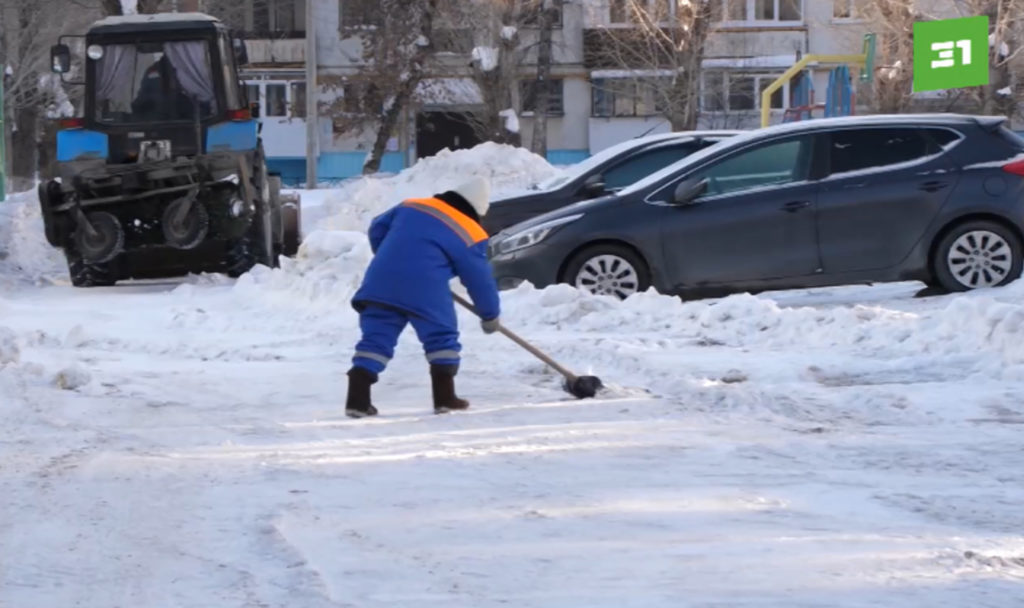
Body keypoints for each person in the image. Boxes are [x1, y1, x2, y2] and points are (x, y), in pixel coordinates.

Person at [345, 176, 502, 418]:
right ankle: (445, 398)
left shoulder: (412, 206)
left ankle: (357, 399)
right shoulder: (470, 232)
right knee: (441, 336)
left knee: (376, 338)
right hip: (426, 290)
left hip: (380, 280)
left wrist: (392, 255)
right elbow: (478, 279)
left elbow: (377, 227)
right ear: (477, 210)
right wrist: (490, 313)